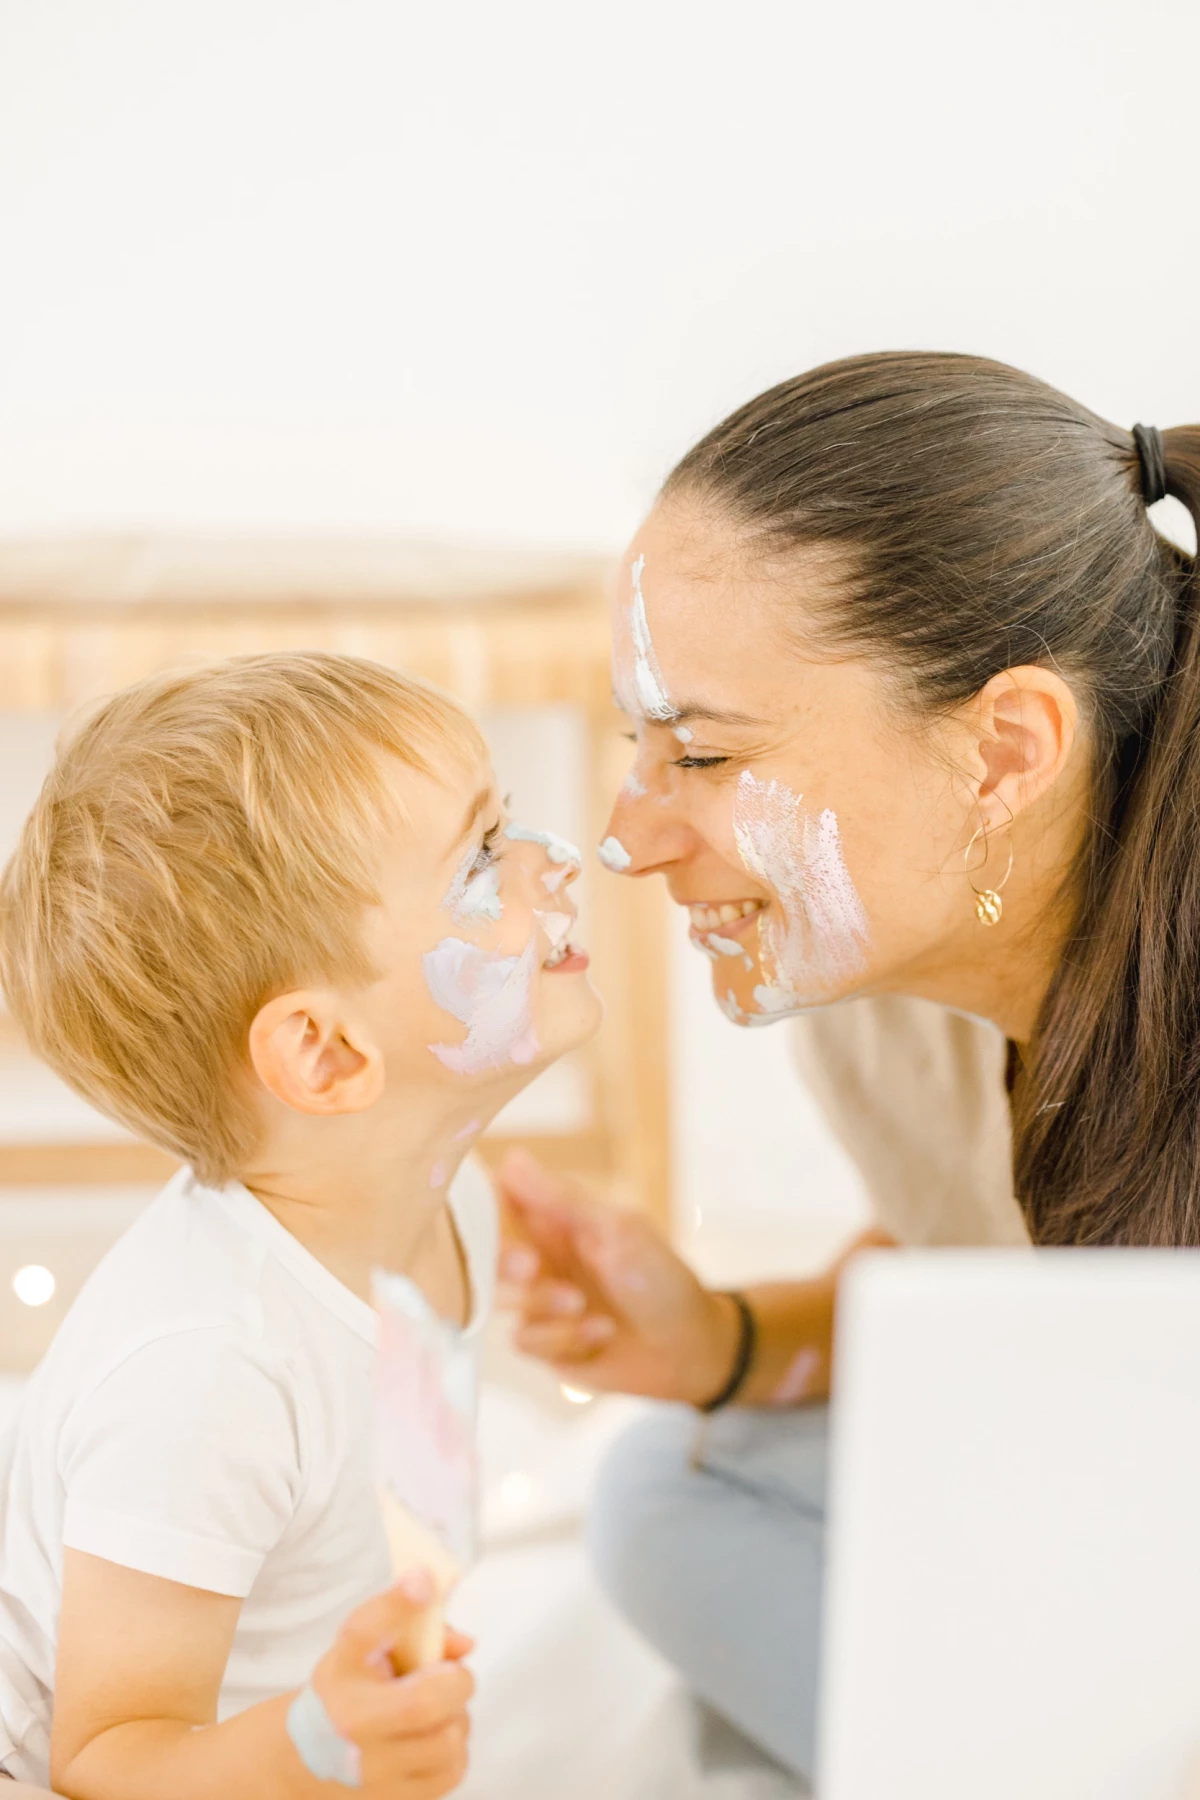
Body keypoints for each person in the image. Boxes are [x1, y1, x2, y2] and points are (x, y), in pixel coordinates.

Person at [499, 352, 1200, 1781]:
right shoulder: (887, 1001)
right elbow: (997, 1264)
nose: (626, 834)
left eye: (699, 754)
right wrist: (727, 1343)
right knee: (667, 1489)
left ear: (1003, 751)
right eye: (641, 741)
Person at [0, 652, 601, 1797]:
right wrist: (318, 1744)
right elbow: (102, 1757)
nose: (553, 860)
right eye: (482, 858)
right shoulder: (208, 1372)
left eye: (508, 823)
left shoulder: (437, 1189)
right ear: (327, 1055)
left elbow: (399, 1505)